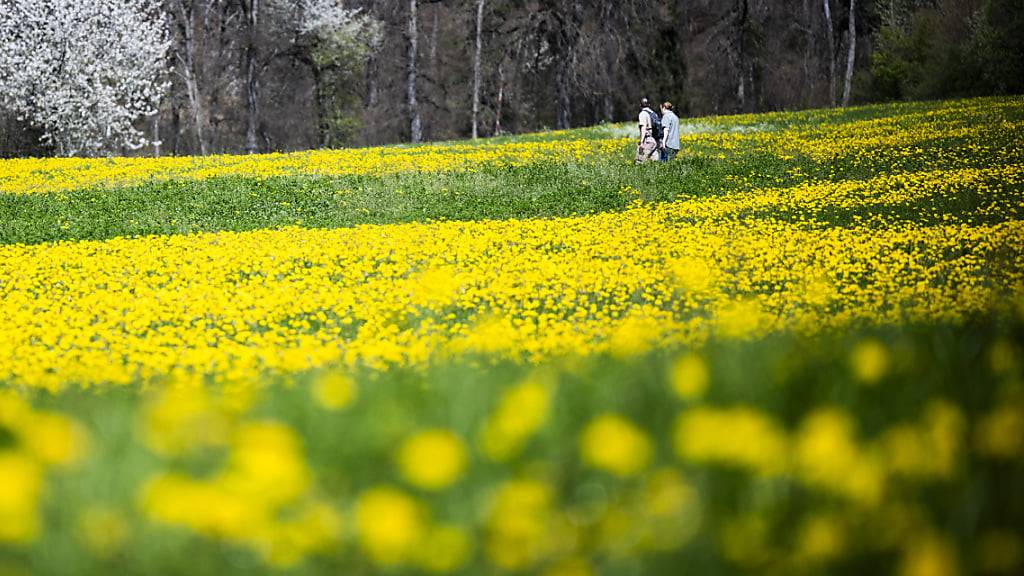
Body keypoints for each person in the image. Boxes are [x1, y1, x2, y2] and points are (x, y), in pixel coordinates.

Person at [635, 97, 660, 164]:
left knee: (639, 161)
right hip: (655, 140)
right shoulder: (654, 113)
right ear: (649, 105)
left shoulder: (643, 114)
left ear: (640, 105)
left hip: (647, 140)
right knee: (654, 163)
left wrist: (641, 142)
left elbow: (643, 127)